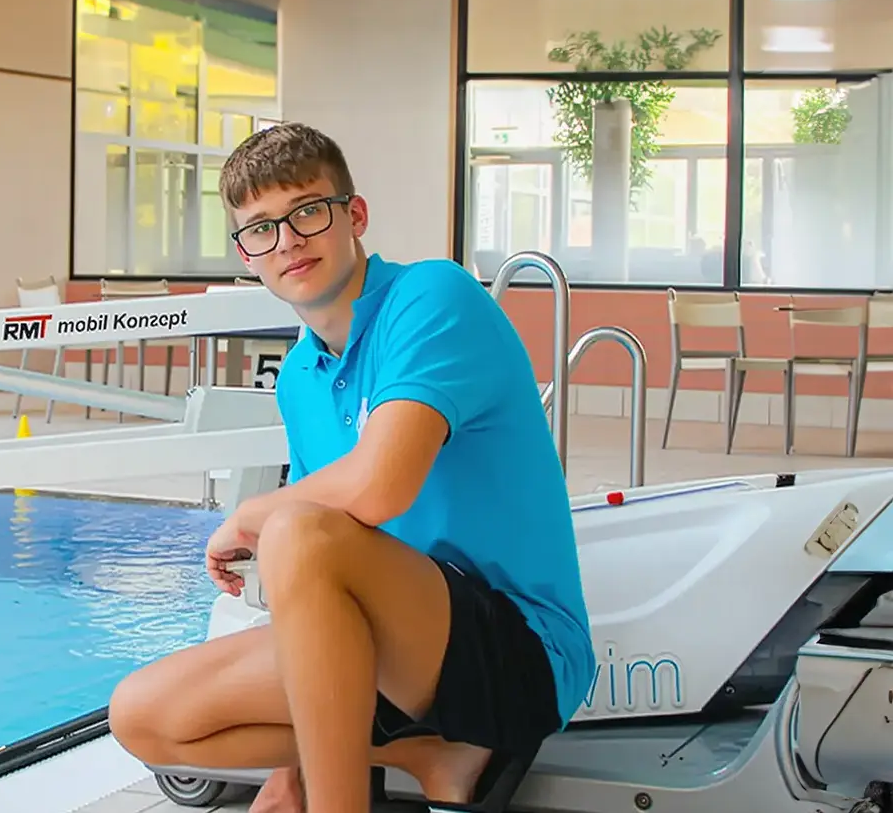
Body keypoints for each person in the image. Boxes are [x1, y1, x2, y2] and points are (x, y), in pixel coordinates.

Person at [107, 123, 593, 813]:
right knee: (144, 713)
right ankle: (433, 752)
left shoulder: (431, 297)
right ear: (246, 255)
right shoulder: (299, 375)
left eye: (307, 212)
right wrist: (295, 766)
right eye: (261, 229)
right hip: (379, 655)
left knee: (294, 529)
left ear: (353, 215)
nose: (288, 242)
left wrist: (246, 516)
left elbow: (377, 486)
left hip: (516, 655)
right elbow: (313, 579)